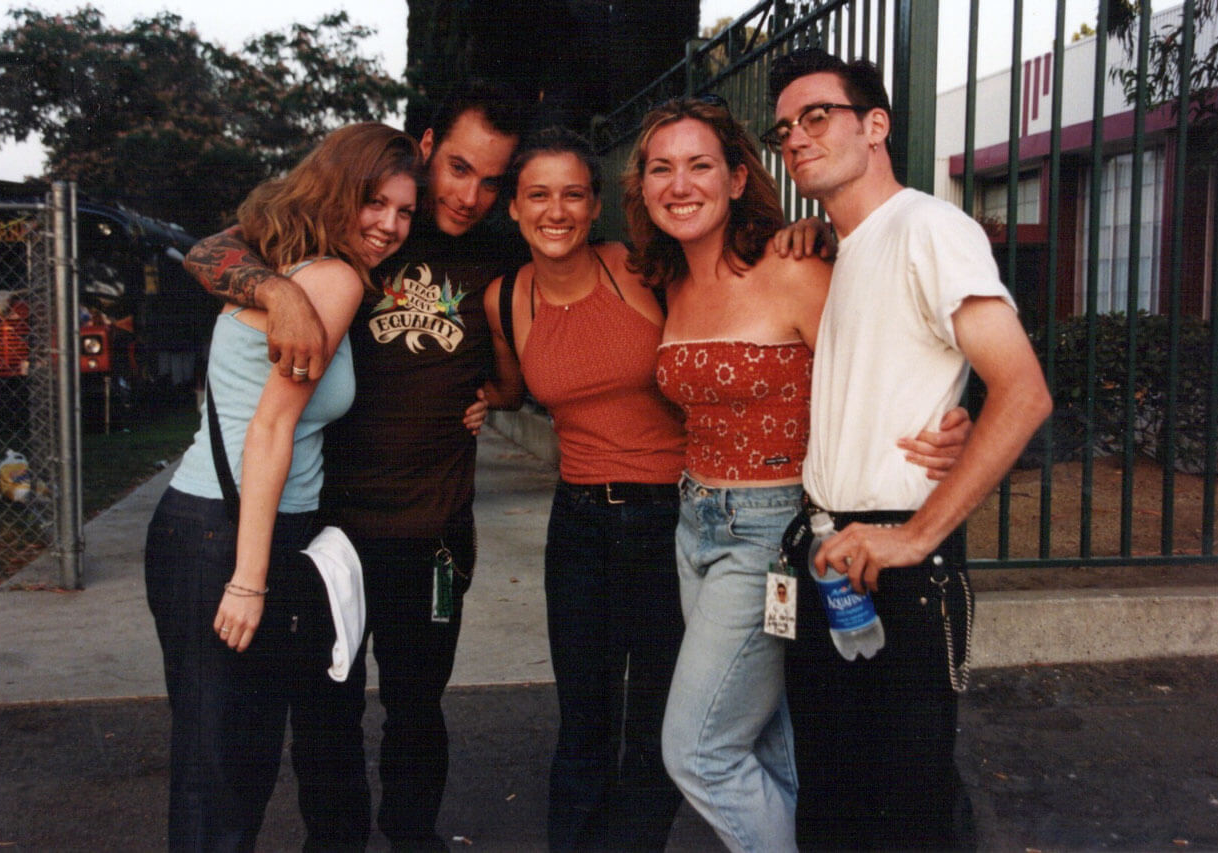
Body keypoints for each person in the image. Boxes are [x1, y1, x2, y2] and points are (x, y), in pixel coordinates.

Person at [182, 80, 529, 851]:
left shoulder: (503, 247)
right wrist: (280, 289)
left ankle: (413, 835)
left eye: (492, 179)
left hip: (433, 530)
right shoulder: (358, 228)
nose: (471, 196)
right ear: (428, 146)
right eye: (461, 168)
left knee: (416, 703)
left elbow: (561, 297)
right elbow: (208, 251)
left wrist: (494, 395)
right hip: (331, 528)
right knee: (325, 708)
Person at [620, 97, 971, 852]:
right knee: (769, 740)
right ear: (642, 188)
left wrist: (952, 420)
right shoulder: (666, 282)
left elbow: (888, 362)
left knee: (699, 750)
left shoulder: (795, 266)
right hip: (695, 526)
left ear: (739, 176)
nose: (680, 184)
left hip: (770, 529)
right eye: (661, 168)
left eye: (700, 165)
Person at [764, 48, 1052, 849]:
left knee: (908, 802)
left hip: (899, 557)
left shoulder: (931, 227)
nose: (797, 137)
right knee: (832, 794)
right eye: (785, 127)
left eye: (818, 115)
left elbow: (1023, 391)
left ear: (876, 124)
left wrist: (918, 535)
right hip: (827, 545)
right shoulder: (840, 245)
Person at [145, 122, 420, 851]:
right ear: (339, 191)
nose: (391, 226)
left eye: (404, 211)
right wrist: (248, 579)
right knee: (226, 775)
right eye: (376, 204)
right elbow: (270, 429)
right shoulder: (328, 278)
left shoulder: (289, 261)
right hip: (228, 537)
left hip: (210, 527)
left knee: (222, 767)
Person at [482, 126, 686, 850]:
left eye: (573, 192)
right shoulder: (505, 298)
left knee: (658, 720)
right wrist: (481, 399)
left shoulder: (641, 269)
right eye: (538, 194)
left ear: (595, 202)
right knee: (584, 720)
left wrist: (806, 239)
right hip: (579, 526)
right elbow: (510, 385)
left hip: (671, 519)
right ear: (514, 207)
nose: (556, 209)